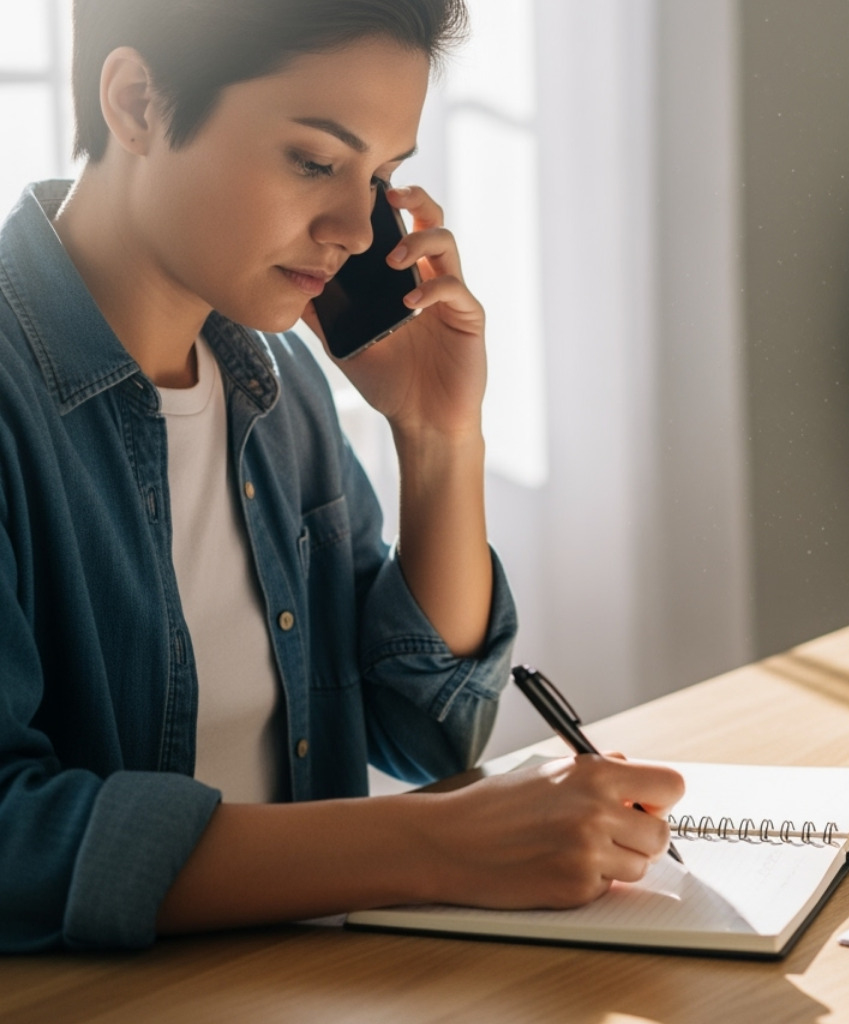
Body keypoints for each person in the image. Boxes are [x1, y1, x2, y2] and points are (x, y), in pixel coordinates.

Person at [0, 0, 684, 953]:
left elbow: (422, 731)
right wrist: (434, 844)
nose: (355, 229)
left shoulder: (274, 385)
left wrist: (438, 438)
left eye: (381, 178)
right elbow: (11, 838)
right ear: (136, 101)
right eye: (316, 161)